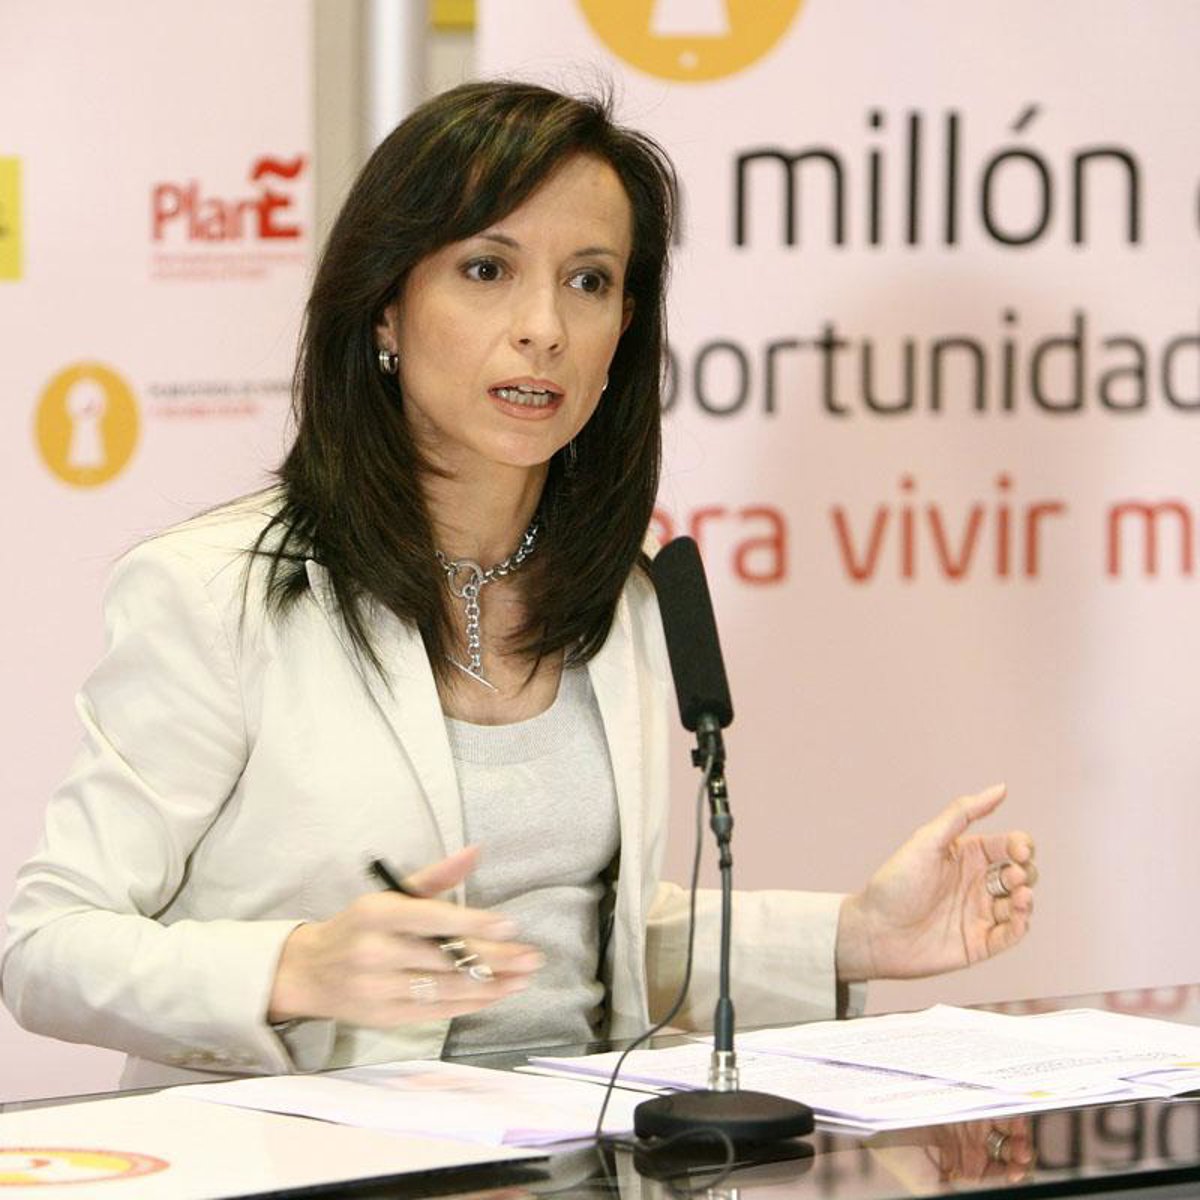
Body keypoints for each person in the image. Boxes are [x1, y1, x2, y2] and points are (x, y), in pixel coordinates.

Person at [2, 82, 1036, 1089]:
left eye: (589, 281)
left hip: (575, 1147)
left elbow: (586, 939)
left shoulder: (621, 599)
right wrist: (296, 968)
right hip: (302, 1160)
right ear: (386, 310)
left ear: (624, 328)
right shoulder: (215, 591)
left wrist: (854, 934)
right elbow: (46, 945)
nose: (544, 326)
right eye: (487, 269)